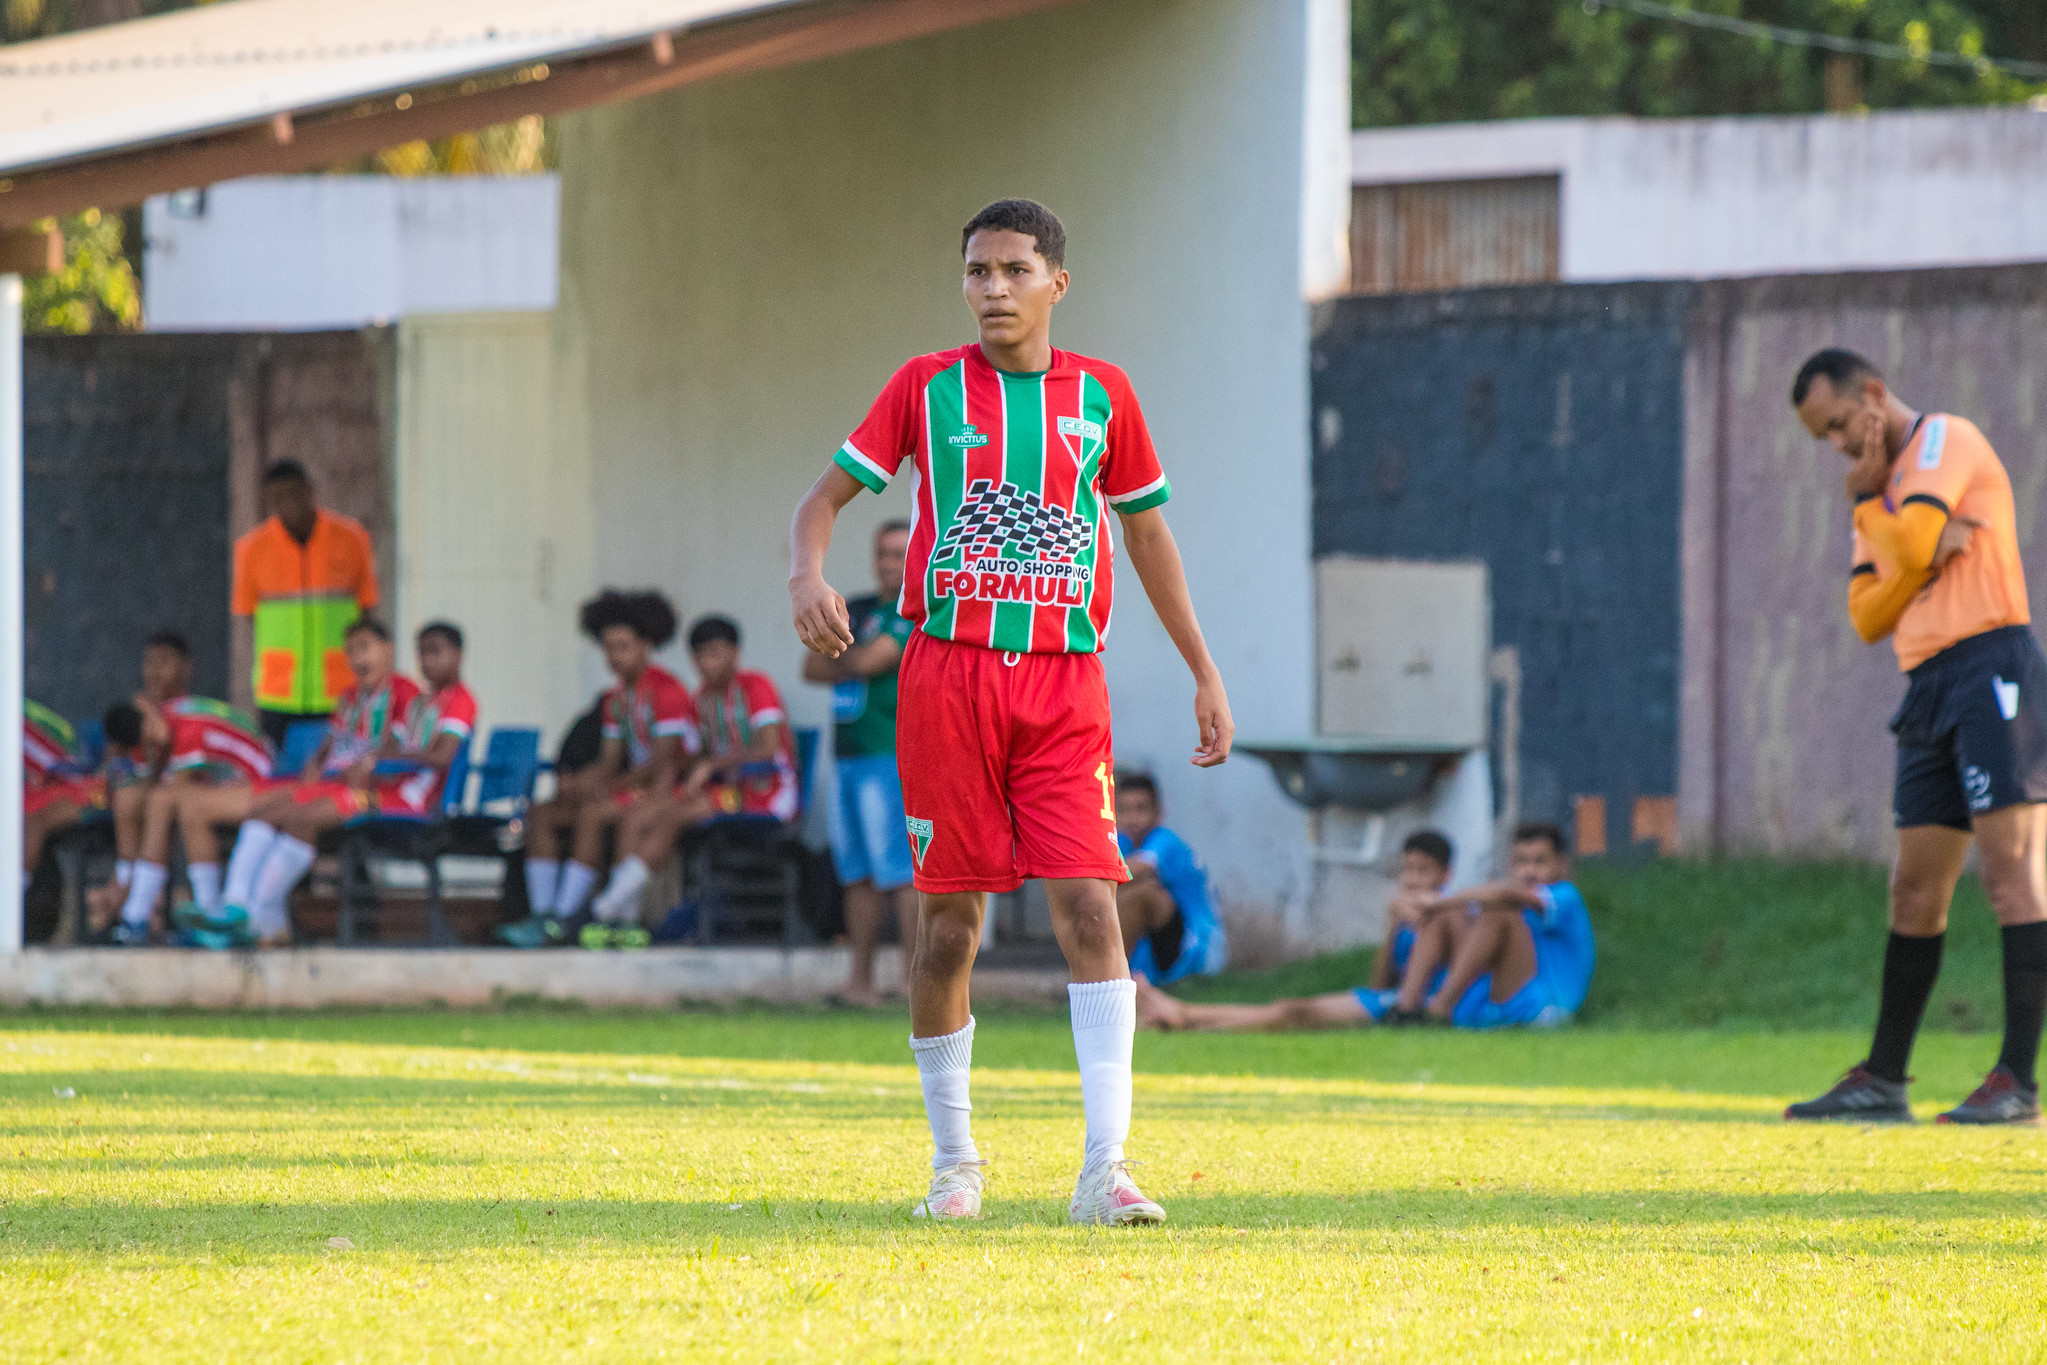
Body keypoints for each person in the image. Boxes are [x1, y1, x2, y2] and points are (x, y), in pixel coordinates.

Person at [789, 198, 1234, 1226]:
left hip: (1063, 685)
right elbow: (821, 500)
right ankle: (955, 1167)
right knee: (949, 930)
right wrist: (806, 574)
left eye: (1014, 270)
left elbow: (1147, 537)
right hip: (945, 682)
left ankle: (1105, 1170)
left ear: (1055, 284)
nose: (993, 288)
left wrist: (1203, 669)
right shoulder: (924, 387)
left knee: (1092, 907)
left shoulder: (1104, 396)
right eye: (977, 272)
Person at [1784, 348, 2047, 1125]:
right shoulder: (1878, 492)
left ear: (1873, 393)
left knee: (2011, 873)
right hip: (1927, 683)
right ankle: (1883, 1077)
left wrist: (1885, 519)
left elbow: (1916, 542)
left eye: (1839, 424)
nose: (1838, 445)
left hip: (1991, 662)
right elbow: (1868, 615)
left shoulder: (1942, 442)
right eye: (1824, 438)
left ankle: (2016, 1079)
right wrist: (1887, 518)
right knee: (1913, 888)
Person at [168, 616, 417, 948]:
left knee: (294, 814)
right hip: (333, 785)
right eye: (351, 651)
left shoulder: (404, 692)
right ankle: (236, 908)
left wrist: (368, 761)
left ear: (388, 649)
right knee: (263, 809)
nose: (358, 658)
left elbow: (399, 747)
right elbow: (329, 745)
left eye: (365, 647)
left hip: (376, 791)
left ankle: (251, 913)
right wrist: (314, 766)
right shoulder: (349, 698)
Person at [499, 590, 699, 948]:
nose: (614, 657)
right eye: (608, 648)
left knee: (592, 812)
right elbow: (608, 760)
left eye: (623, 647)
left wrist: (607, 787)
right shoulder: (617, 698)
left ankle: (564, 919)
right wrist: (578, 782)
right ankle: (542, 914)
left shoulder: (667, 691)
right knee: (542, 813)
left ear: (646, 645)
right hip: (632, 787)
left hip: (667, 790)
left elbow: (663, 761)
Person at [583, 615, 797, 948]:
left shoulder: (756, 685)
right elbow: (695, 754)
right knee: (641, 815)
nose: (707, 664)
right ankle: (625, 917)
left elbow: (769, 748)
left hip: (766, 795)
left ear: (735, 653)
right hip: (725, 792)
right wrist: (681, 770)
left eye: (715, 654)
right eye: (699, 656)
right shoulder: (700, 700)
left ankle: (608, 904)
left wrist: (711, 764)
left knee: (677, 813)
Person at [1132, 829, 1456, 1032]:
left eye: (1423, 871)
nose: (1413, 880)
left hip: (1410, 1003)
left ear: (1445, 876)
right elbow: (1380, 983)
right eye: (1408, 870)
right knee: (1290, 1009)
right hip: (1387, 998)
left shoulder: (1449, 915)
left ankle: (1183, 1015)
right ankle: (1184, 1016)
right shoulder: (1405, 915)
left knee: (1293, 1014)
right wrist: (1394, 925)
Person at [804, 520, 917, 1006]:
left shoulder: (917, 607)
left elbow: (873, 662)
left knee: (901, 872)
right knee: (856, 873)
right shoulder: (859, 608)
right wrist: (854, 657)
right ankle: (860, 982)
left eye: (899, 553)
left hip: (889, 754)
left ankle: (913, 982)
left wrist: (842, 656)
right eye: (883, 553)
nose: (889, 563)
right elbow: (810, 666)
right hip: (847, 756)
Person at [1385, 823, 1593, 1028]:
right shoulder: (1513, 899)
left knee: (1498, 909)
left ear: (1561, 864)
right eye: (1521, 861)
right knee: (1446, 914)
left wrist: (1437, 901)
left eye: (1540, 862)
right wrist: (1408, 914)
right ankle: (1406, 1010)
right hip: (1499, 998)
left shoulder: (1566, 895)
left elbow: (1501, 894)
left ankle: (1439, 1009)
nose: (1529, 871)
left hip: (1547, 1007)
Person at [232, 459, 380, 748]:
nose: (288, 503)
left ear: (310, 490)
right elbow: (250, 614)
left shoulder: (351, 539)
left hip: (340, 685)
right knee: (281, 769)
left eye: (294, 493)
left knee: (340, 767)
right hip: (279, 691)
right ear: (268, 501)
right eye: (278, 497)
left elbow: (366, 609)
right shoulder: (251, 549)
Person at [104, 695, 273, 946]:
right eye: (147, 737)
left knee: (169, 802)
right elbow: (145, 787)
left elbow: (175, 791)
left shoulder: (187, 729)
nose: (153, 734)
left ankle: (142, 912)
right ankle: (134, 902)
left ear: (146, 708)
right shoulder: (142, 735)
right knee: (136, 799)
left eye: (150, 724)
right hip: (222, 784)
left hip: (260, 780)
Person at [101, 630, 195, 918]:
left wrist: (149, 714)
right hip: (158, 797)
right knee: (129, 796)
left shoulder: (190, 710)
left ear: (186, 667)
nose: (155, 671)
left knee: (160, 802)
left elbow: (183, 776)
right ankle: (126, 880)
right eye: (149, 662)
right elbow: (144, 773)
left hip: (202, 793)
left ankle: (138, 903)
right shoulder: (144, 718)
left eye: (164, 661)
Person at [1113, 772, 1226, 984]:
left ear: (1158, 812)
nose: (1132, 818)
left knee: (1140, 892)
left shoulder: (1165, 840)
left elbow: (1136, 869)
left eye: (1140, 809)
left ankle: (1109, 980)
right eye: (1124, 810)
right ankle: (1103, 978)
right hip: (1154, 948)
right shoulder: (1122, 843)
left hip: (1191, 947)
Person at [21, 700, 102, 903]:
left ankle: (11, 898)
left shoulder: (15, 715)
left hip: (80, 792)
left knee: (30, 820)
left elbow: (57, 766)